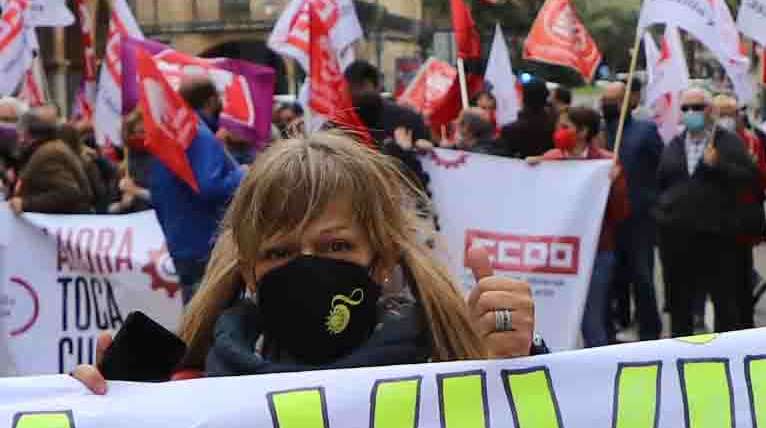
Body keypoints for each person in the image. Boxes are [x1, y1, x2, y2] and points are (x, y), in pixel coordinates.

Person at [173, 129, 537, 374]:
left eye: (336, 246)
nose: (308, 267)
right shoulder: (193, 393)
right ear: (249, 272)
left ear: (383, 260)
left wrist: (513, 369)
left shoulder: (445, 373)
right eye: (280, 252)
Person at [650, 96, 766, 336]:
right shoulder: (674, 144)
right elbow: (661, 183)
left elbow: (751, 178)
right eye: (686, 108)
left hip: (718, 239)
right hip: (678, 240)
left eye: (697, 107)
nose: (691, 112)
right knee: (680, 306)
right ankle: (680, 356)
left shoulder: (729, 143)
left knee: (725, 304)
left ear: (710, 111)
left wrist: (719, 165)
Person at [140, 70, 244, 293]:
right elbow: (210, 187)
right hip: (202, 241)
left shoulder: (172, 133)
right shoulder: (198, 134)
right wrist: (242, 174)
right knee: (207, 315)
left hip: (178, 238)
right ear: (211, 100)